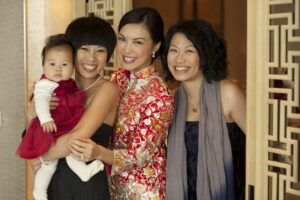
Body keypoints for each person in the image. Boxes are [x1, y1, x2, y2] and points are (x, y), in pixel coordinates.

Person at [69, 7, 174, 199]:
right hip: (108, 186)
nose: (126, 49)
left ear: (156, 46)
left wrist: (99, 152)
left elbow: (139, 155)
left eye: (137, 42)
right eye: (123, 39)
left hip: (142, 191)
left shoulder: (160, 95)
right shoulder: (118, 76)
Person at [28, 16, 119, 200]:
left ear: (108, 54)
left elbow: (76, 137)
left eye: (100, 50)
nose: (91, 58)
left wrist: (39, 156)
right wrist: (31, 111)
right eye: (84, 49)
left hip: (87, 186)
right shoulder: (55, 87)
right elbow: (34, 128)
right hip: (53, 183)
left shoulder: (108, 89)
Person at [161, 19, 246, 200]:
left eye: (189, 51)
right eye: (173, 50)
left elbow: (263, 149)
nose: (179, 59)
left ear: (206, 53)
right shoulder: (169, 100)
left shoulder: (228, 94)